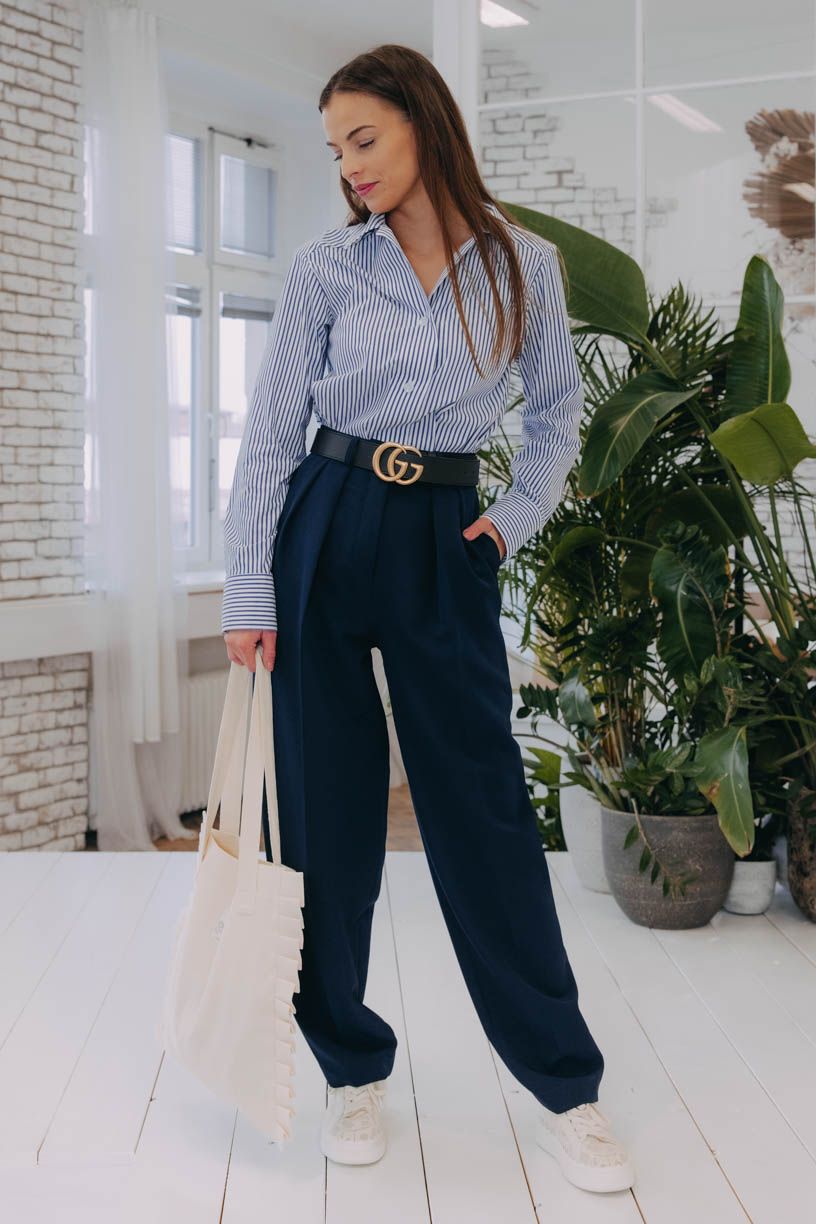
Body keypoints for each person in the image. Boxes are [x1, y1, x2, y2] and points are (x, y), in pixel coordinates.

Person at [222, 43, 634, 1195]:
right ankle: (350, 1071)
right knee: (326, 812)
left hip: (445, 534)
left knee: (483, 807)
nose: (350, 166)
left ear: (425, 124)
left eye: (365, 138)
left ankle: (568, 1087)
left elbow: (557, 418)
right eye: (336, 150)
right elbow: (271, 430)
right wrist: (248, 586)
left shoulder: (525, 267)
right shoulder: (328, 267)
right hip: (322, 517)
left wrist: (506, 526)